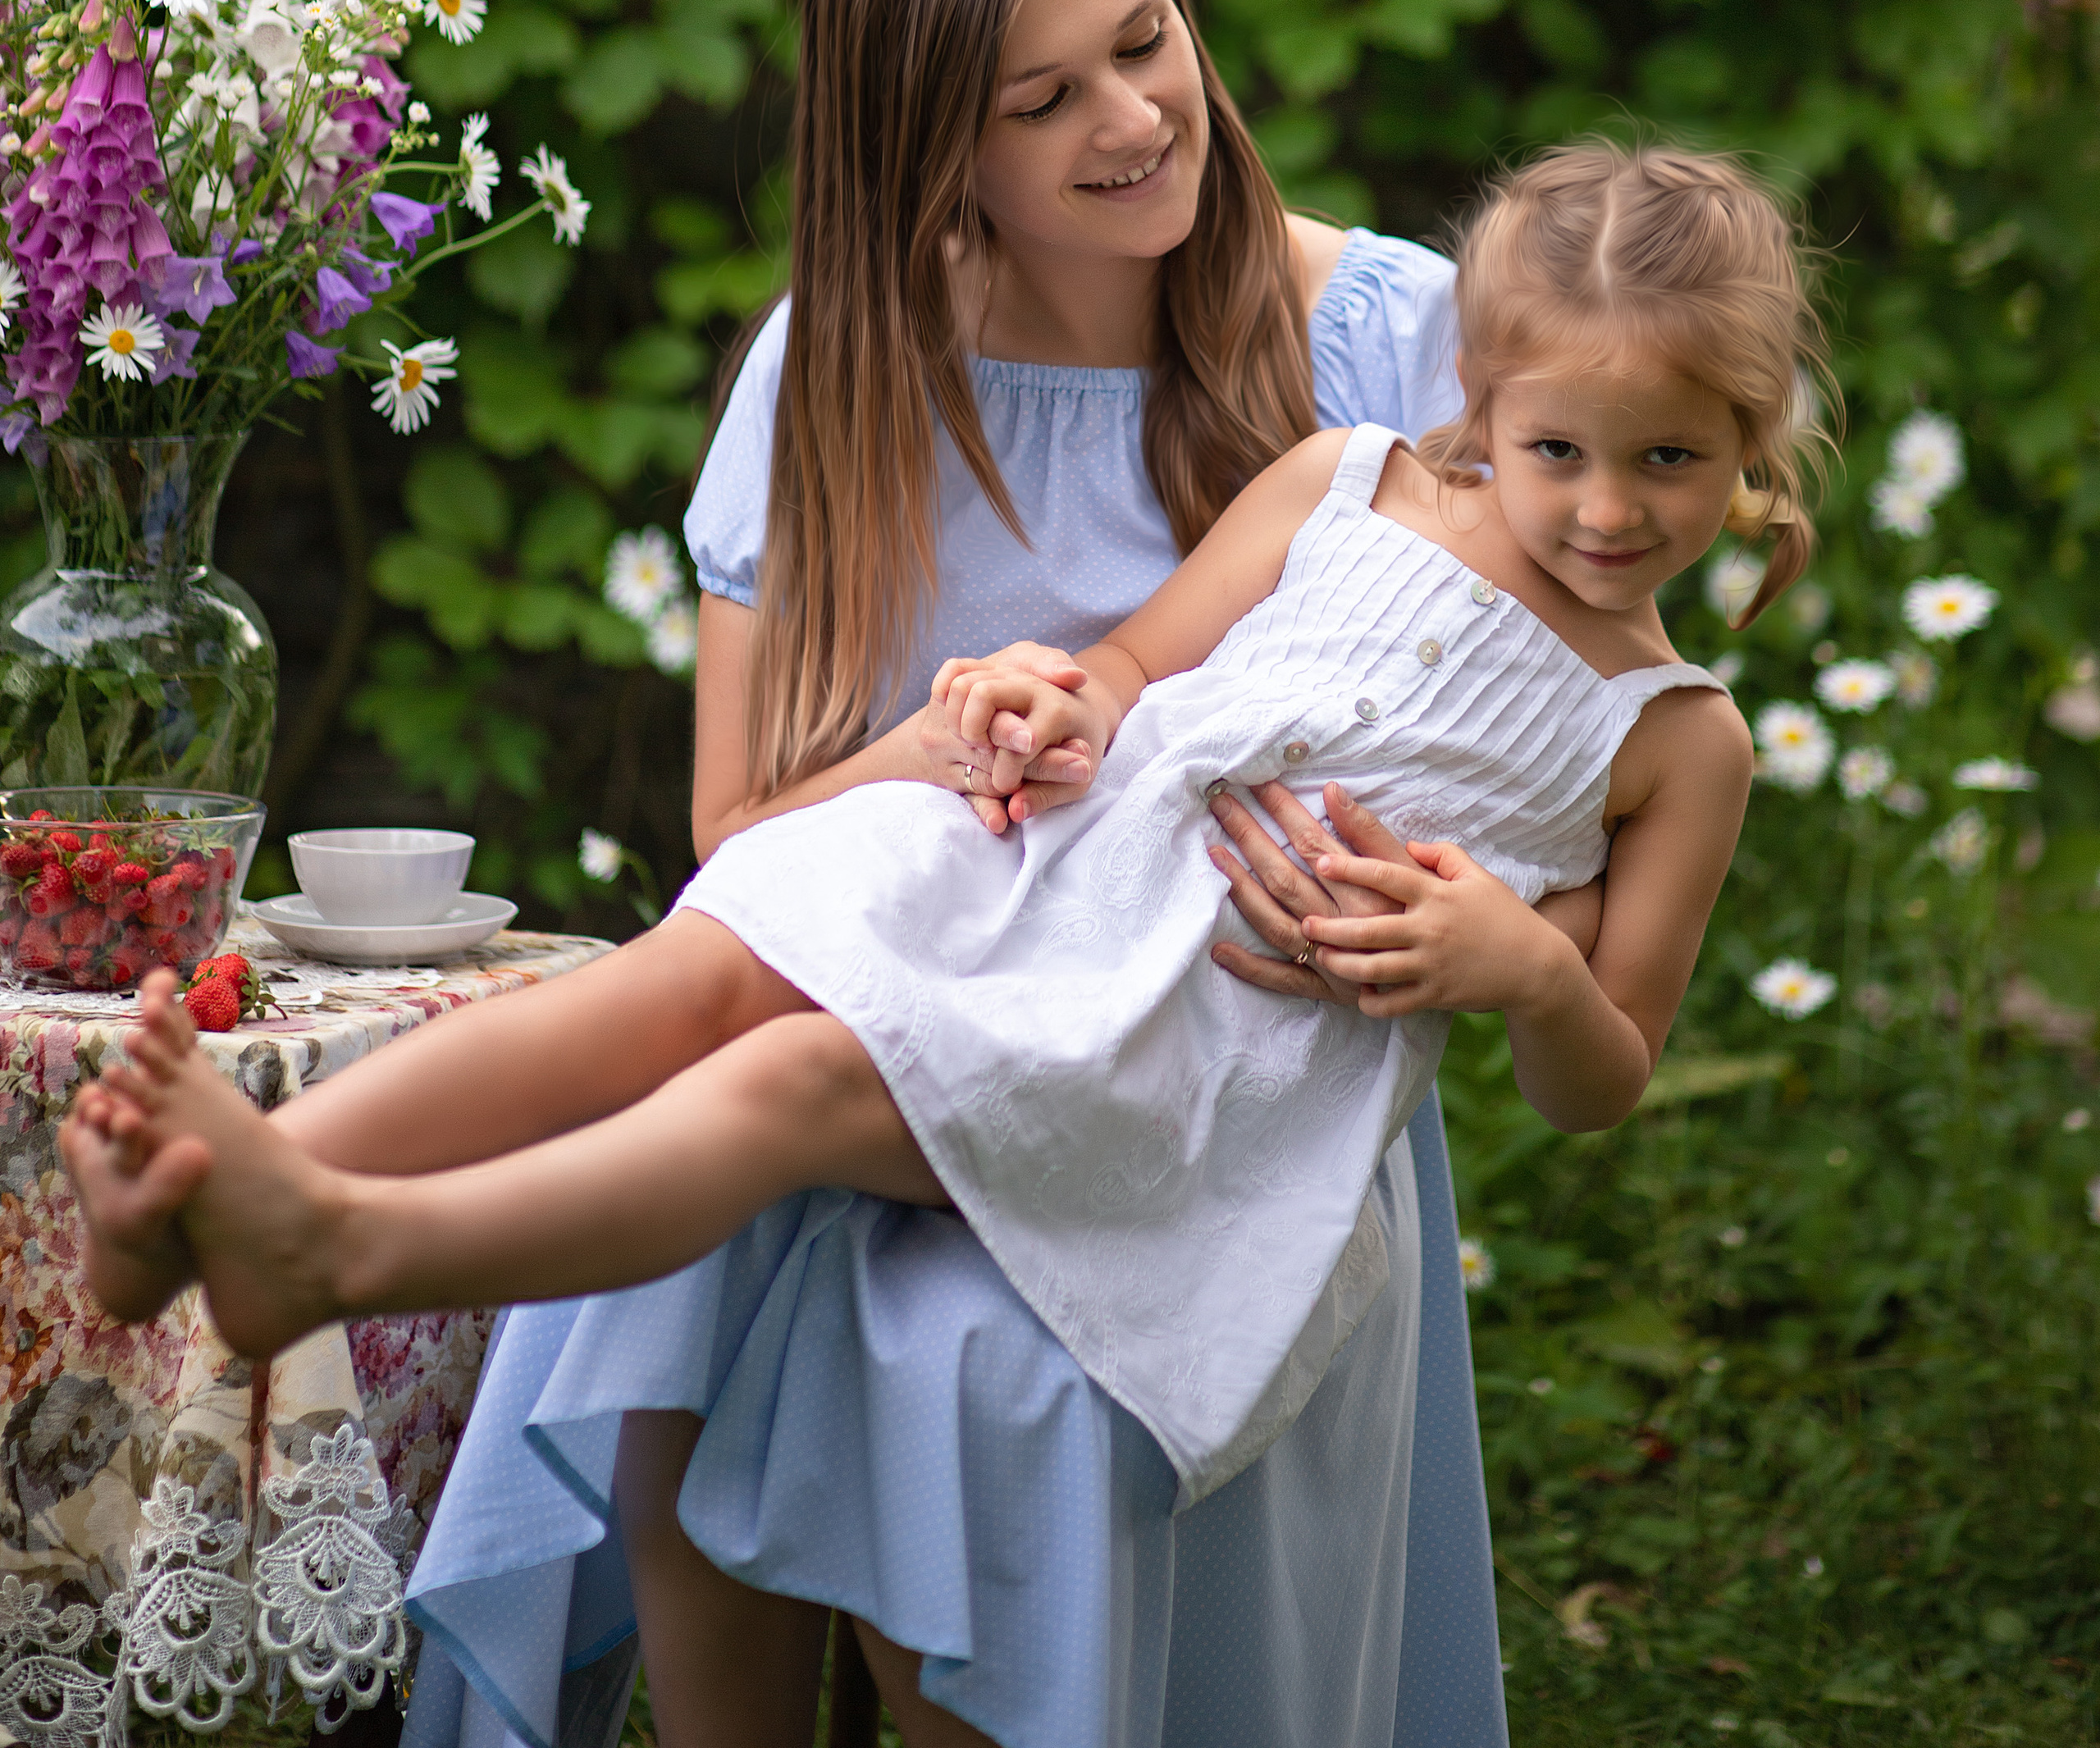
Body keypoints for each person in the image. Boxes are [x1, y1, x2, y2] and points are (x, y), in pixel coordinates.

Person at [71, 137, 1811, 1713]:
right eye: (1556, 449)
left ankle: (342, 1250)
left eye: (1666, 461)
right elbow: (1135, 666)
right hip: (1042, 876)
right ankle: (232, 1179)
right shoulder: (1345, 478)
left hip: (1186, 1050)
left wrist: (1518, 970)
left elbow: (1605, 1068)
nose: (1600, 508)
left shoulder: (1673, 739)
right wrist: (1056, 702)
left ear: (1749, 453)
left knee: (797, 1089)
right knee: (710, 953)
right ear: (1480, 402)